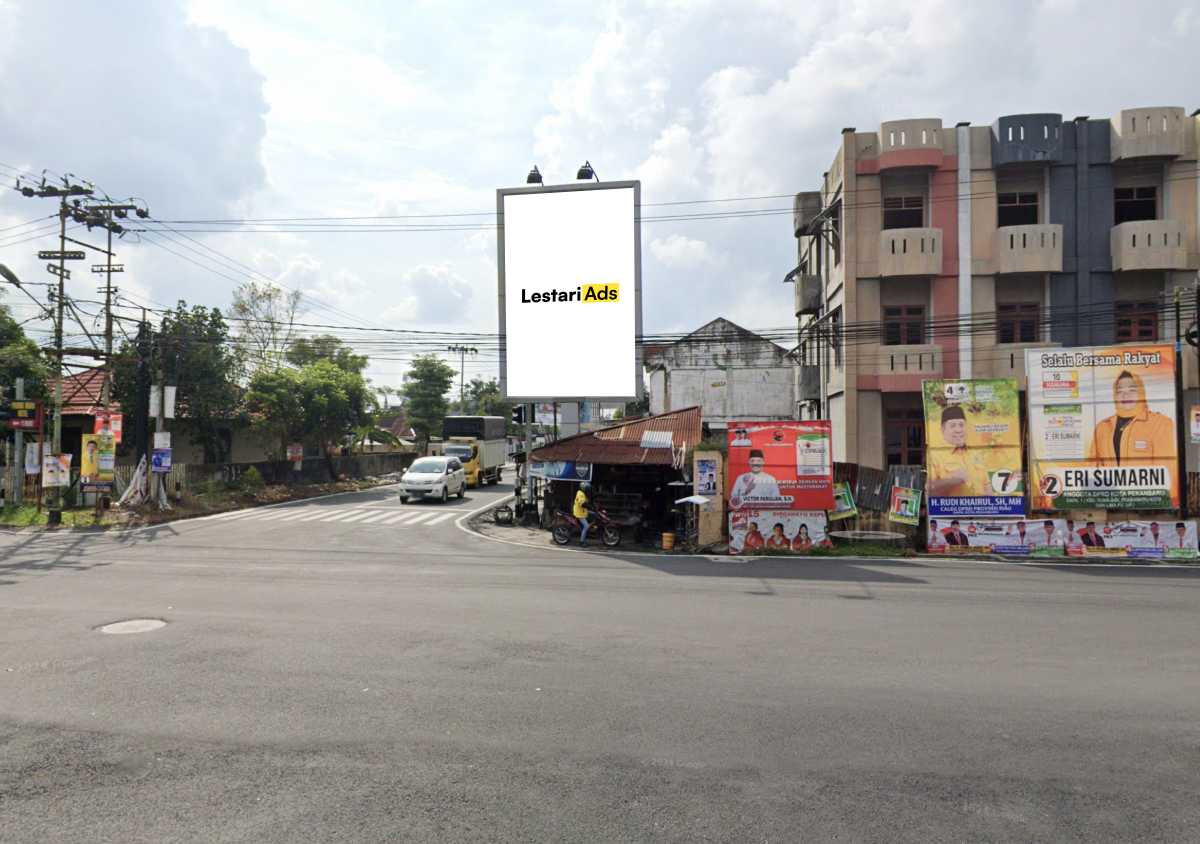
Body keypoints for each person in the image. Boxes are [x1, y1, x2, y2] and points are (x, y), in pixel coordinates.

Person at [1087, 371, 1175, 496]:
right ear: (1114, 395)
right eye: (1120, 391)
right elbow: (1092, 468)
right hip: (1110, 501)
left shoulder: (1160, 423)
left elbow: (1167, 469)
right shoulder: (1103, 427)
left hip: (1146, 504)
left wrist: (1164, 501)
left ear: (1141, 393)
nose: (1125, 395)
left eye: (1132, 390)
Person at [927, 405, 1018, 497]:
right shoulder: (935, 456)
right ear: (943, 430)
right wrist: (952, 480)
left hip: (981, 509)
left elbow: (986, 484)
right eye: (953, 425)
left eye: (961, 425)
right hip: (953, 510)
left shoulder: (974, 453)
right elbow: (930, 489)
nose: (958, 430)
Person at [573, 482, 591, 547]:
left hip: (582, 511)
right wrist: (589, 506)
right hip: (580, 513)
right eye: (587, 489)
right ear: (584, 488)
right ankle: (582, 542)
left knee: (593, 514)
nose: (588, 490)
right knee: (586, 526)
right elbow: (582, 504)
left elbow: (585, 501)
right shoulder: (581, 494)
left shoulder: (582, 493)